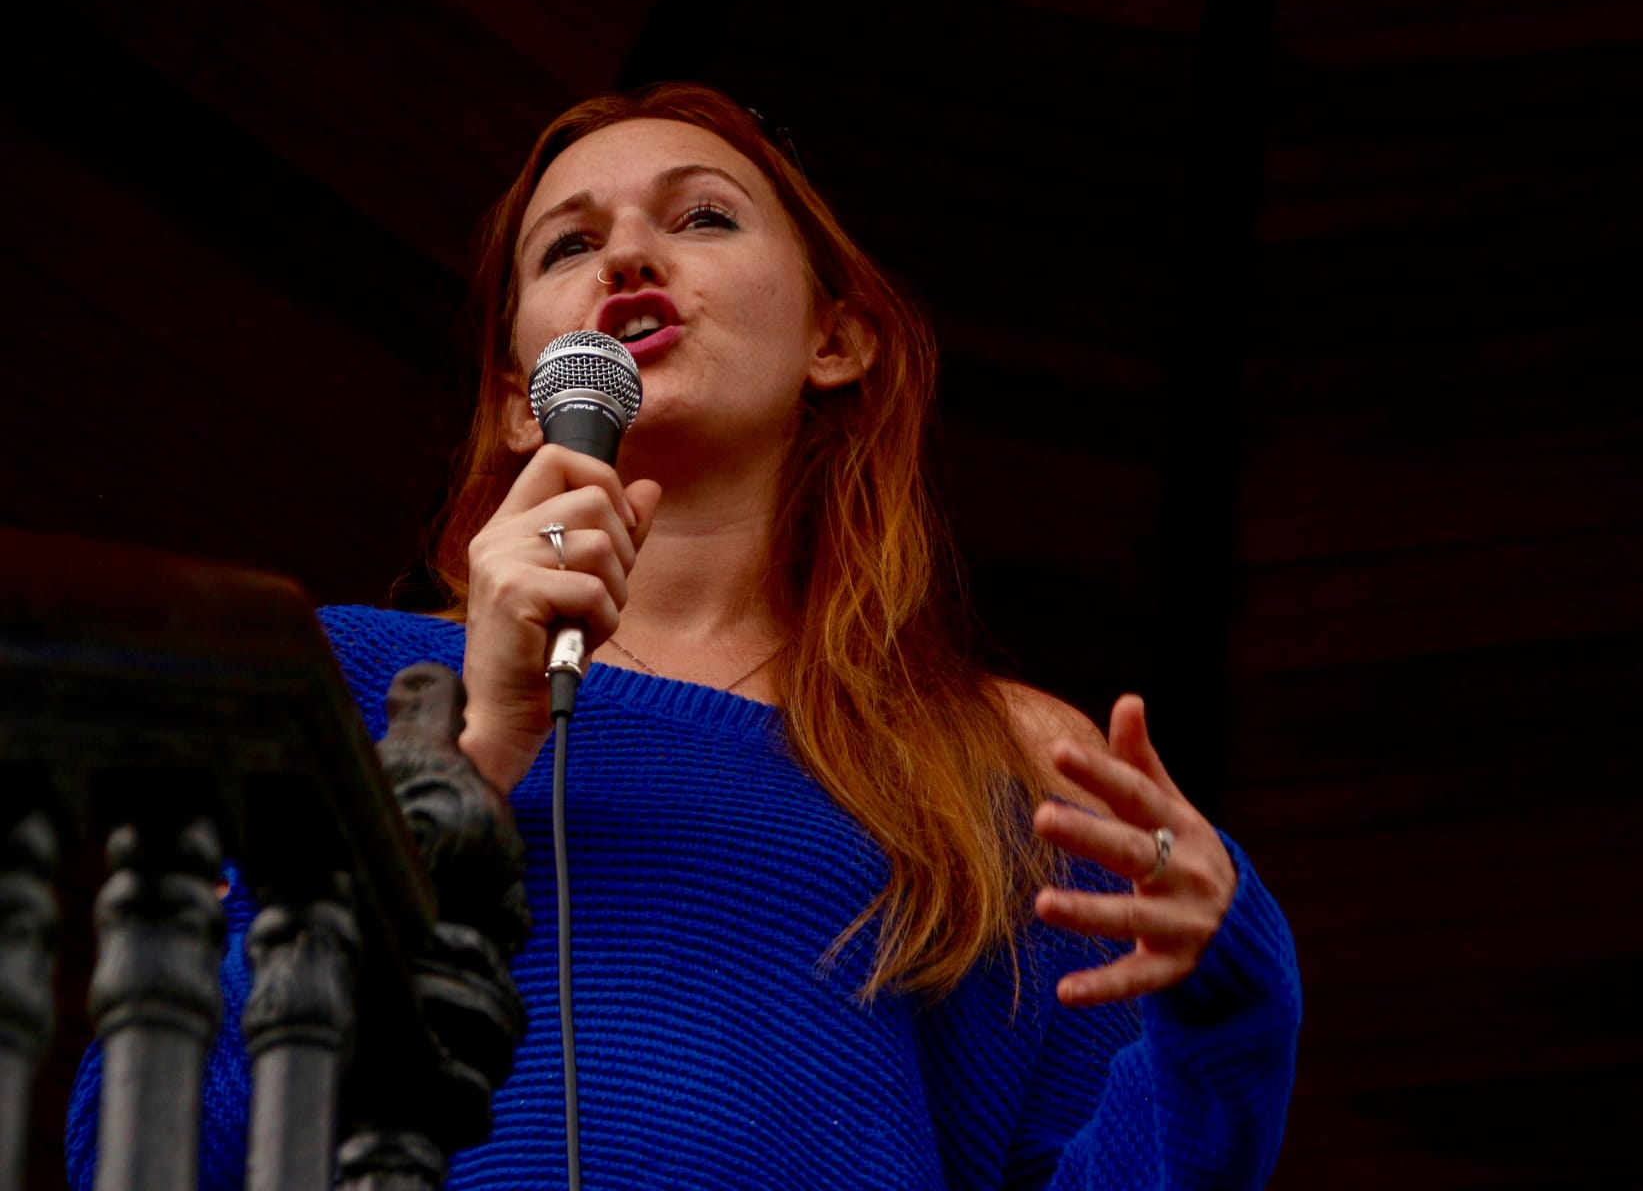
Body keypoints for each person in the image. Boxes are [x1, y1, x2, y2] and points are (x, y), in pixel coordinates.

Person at [68, 82, 1301, 1189]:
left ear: (837, 338)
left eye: (702, 218)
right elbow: (148, 1141)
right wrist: (471, 753)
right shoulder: (348, 678)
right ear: (513, 399)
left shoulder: (1003, 755)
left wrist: (1227, 999)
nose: (628, 257)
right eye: (569, 244)